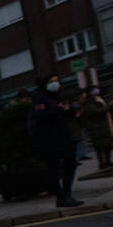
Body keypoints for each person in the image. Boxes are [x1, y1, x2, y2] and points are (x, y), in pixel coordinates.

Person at [30, 76, 83, 208]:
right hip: (49, 138)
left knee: (70, 164)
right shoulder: (39, 97)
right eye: (51, 81)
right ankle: (61, 197)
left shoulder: (58, 95)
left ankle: (67, 194)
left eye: (57, 80)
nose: (55, 83)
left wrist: (68, 110)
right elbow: (41, 116)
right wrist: (58, 109)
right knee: (53, 168)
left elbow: (68, 113)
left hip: (64, 136)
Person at [81, 87, 113, 170]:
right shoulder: (88, 103)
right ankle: (102, 163)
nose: (96, 91)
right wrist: (109, 106)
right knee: (100, 146)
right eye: (93, 89)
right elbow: (97, 112)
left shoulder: (99, 99)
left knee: (107, 144)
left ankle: (108, 161)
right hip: (97, 127)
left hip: (104, 126)